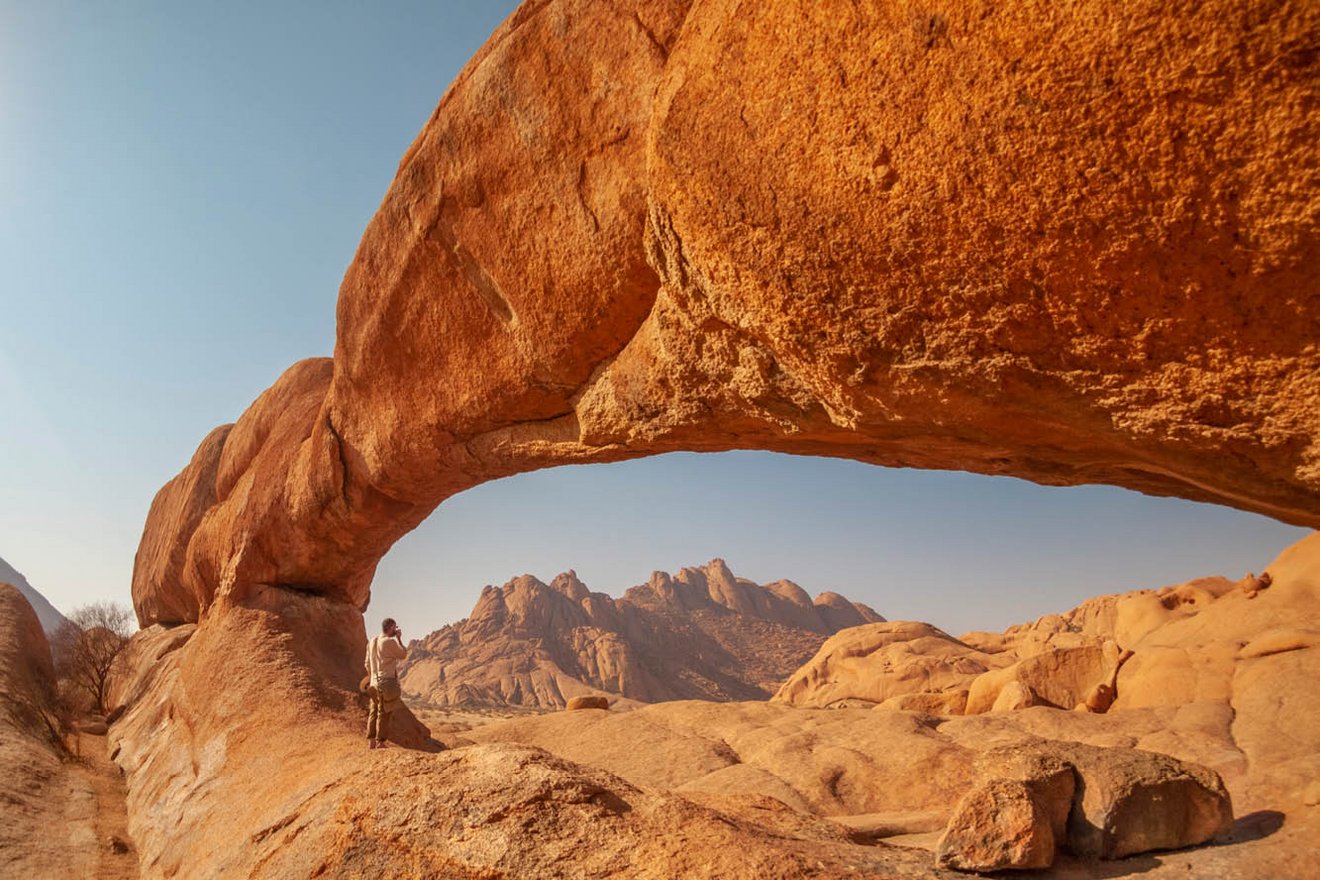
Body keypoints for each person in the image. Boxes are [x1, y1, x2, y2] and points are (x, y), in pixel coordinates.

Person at [365, 617, 407, 749]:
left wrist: (372, 678)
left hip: (373, 682)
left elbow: (366, 664)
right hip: (386, 681)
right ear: (390, 627)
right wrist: (399, 638)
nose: (396, 630)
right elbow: (403, 654)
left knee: (373, 711)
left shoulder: (372, 642)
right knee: (384, 712)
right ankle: (380, 741)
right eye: (395, 627)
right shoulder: (389, 642)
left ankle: (371, 740)